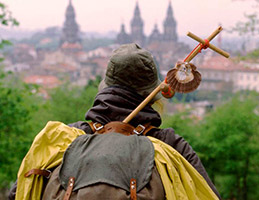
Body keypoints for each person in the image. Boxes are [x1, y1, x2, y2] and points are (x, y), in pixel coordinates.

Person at [9, 43, 220, 199]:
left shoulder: (62, 139)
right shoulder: (172, 145)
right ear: (152, 94)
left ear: (105, 89)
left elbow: (19, 194)